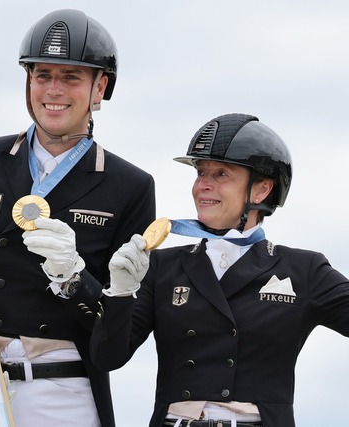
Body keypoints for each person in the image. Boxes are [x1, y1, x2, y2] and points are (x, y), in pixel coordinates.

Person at [0, 8, 155, 427]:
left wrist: (74, 278)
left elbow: (114, 346)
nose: (53, 89)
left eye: (71, 77)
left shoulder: (131, 186)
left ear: (99, 86)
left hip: (67, 391)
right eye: (42, 74)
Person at [90, 112, 349, 427]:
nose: (202, 187)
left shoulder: (303, 269)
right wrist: (120, 292)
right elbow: (108, 358)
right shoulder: (161, 265)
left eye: (221, 175)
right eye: (201, 174)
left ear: (261, 190)